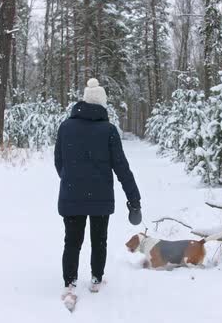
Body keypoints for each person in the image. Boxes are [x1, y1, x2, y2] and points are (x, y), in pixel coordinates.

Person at [54, 78, 142, 298]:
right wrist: (134, 199)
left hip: (71, 194)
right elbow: (121, 167)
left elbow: (59, 161)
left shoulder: (66, 127)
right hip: (100, 196)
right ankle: (95, 280)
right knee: (99, 240)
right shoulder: (108, 131)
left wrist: (70, 179)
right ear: (102, 104)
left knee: (72, 241)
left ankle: (70, 283)